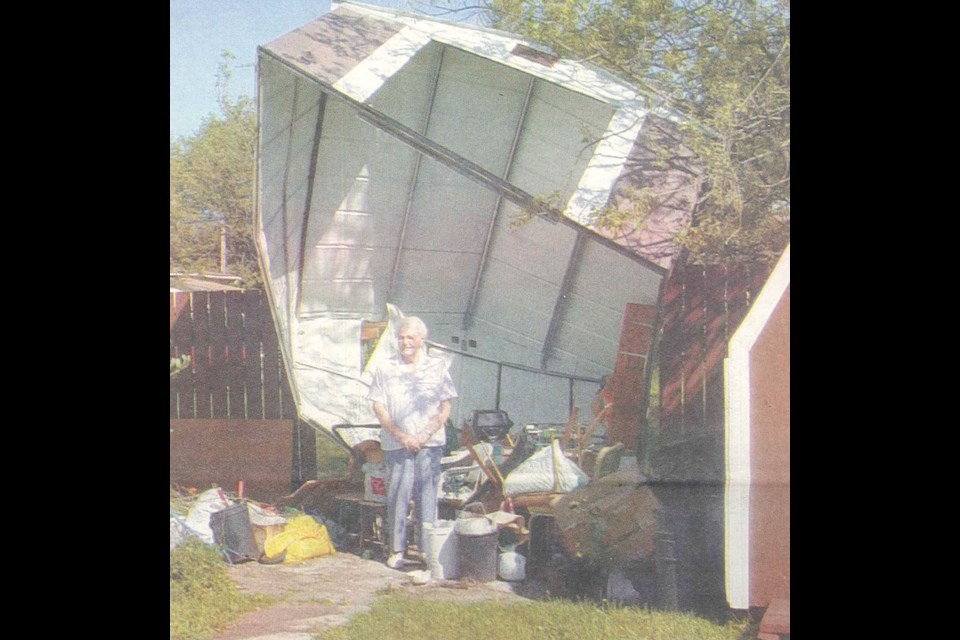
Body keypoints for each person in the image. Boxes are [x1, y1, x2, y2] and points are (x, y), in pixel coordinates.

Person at [367, 316, 458, 569]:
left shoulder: (437, 367)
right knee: (398, 493)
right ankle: (397, 549)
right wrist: (402, 435)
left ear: (421, 340)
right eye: (401, 337)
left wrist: (424, 435)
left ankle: (428, 551)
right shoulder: (385, 367)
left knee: (427, 495)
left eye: (410, 337)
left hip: (430, 442)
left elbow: (445, 406)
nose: (405, 342)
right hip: (397, 442)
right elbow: (378, 405)